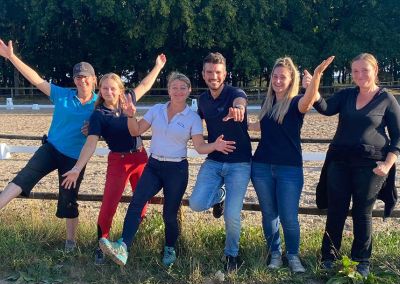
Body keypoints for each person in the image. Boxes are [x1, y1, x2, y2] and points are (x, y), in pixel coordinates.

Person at [98, 72, 235, 267]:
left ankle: (170, 247)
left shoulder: (193, 118)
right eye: (174, 87)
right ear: (169, 89)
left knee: (169, 214)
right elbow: (135, 130)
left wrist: (215, 146)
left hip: (176, 169)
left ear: (189, 91)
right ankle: (123, 247)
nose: (178, 91)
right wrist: (130, 116)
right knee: (136, 203)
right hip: (153, 166)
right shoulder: (156, 110)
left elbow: (199, 147)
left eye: (183, 88)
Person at [61, 54, 166, 264]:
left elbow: (145, 84)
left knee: (142, 202)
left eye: (113, 88)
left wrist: (158, 66)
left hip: (140, 159)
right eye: (105, 88)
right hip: (118, 161)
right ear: (100, 90)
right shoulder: (98, 115)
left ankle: (125, 243)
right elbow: (90, 143)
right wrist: (77, 167)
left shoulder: (128, 102)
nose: (109, 92)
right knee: (109, 203)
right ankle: (102, 243)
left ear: (120, 89)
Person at [0, 39, 97, 251]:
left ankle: (70, 242)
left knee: (68, 200)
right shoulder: (63, 95)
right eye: (78, 77)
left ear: (93, 79)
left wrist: (96, 128)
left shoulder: (100, 103)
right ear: (74, 80)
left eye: (85, 77)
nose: (82, 81)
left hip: (74, 159)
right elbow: (36, 79)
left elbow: (113, 123)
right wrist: (11, 57)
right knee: (24, 176)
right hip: (51, 149)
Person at [313, 53, 400, 277]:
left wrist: (388, 164)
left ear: (375, 70)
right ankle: (328, 257)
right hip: (339, 162)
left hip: (371, 165)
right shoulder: (346, 95)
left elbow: (398, 136)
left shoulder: (387, 99)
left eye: (365, 70)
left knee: (362, 212)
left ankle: (361, 260)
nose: (360, 75)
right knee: (336, 210)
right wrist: (315, 79)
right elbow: (323, 107)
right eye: (355, 71)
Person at [248, 56, 334, 273]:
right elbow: (262, 126)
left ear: (291, 80)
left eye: (282, 77)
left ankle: (293, 255)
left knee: (288, 216)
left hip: (289, 169)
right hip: (261, 167)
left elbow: (310, 99)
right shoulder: (269, 103)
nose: (277, 81)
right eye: (275, 76)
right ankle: (275, 254)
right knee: (269, 215)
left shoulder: (296, 103)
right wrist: (240, 122)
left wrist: (316, 76)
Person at [188, 52, 252, 272]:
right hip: (214, 160)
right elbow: (193, 122)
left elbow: (240, 101)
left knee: (232, 215)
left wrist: (239, 110)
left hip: (239, 163)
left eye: (217, 72)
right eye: (208, 72)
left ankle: (231, 255)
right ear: (203, 74)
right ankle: (220, 196)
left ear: (224, 73)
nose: (213, 76)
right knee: (196, 203)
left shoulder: (235, 93)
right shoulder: (203, 100)